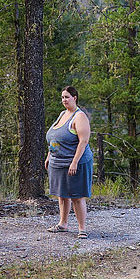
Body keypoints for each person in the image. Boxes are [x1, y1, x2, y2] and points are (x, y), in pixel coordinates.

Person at [45, 86, 93, 239]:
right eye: (62, 97)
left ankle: (82, 229)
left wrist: (74, 162)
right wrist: (48, 156)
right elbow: (54, 137)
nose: (64, 100)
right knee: (62, 194)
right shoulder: (62, 114)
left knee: (76, 196)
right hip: (58, 162)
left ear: (75, 98)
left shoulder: (80, 117)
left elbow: (83, 141)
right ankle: (63, 224)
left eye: (67, 97)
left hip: (75, 162)